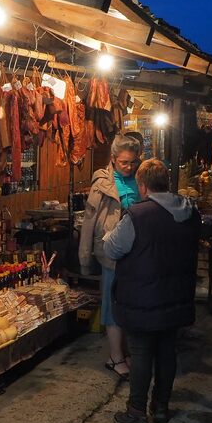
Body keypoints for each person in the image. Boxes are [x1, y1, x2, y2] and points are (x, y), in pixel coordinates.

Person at [103, 159, 200, 423]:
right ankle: (160, 408)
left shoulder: (138, 215)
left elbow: (112, 249)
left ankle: (136, 412)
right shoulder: (191, 212)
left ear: (143, 186)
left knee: (142, 352)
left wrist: (110, 236)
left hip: (143, 299)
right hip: (177, 297)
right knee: (168, 351)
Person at [80, 133, 142, 378]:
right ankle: (116, 357)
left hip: (137, 252)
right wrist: (85, 258)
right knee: (111, 304)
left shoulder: (141, 178)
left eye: (132, 162)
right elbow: (89, 222)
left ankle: (123, 352)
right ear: (114, 159)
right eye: (124, 162)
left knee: (130, 303)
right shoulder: (102, 184)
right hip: (111, 253)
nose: (128, 167)